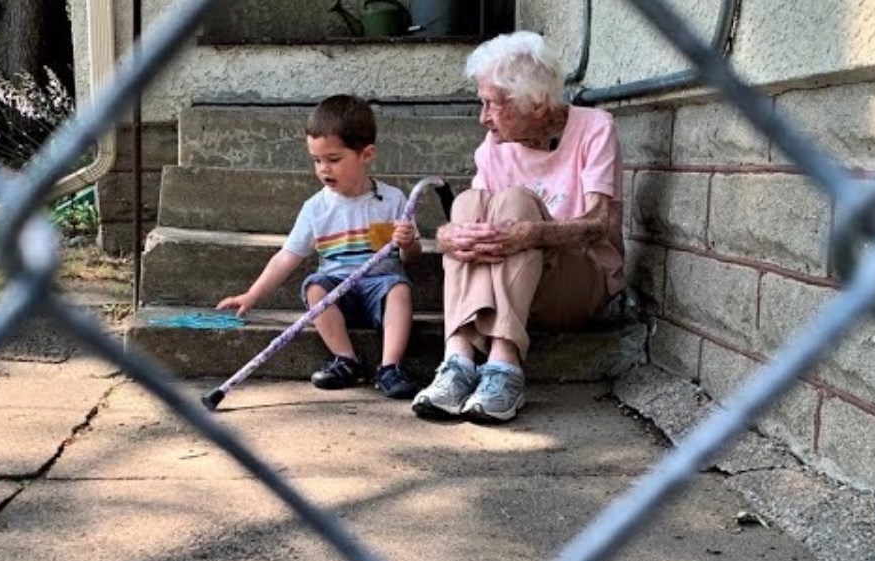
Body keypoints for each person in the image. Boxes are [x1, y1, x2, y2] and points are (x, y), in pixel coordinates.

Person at [412, 31, 625, 423]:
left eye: (493, 105)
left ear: (537, 103)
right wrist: (446, 237)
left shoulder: (594, 128)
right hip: (512, 285)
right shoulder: (491, 149)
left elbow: (599, 224)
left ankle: (504, 367)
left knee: (515, 204)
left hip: (579, 282)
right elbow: (471, 225)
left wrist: (533, 232)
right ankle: (458, 361)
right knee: (468, 204)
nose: (483, 118)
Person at [216, 94, 424, 399]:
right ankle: (346, 360)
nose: (324, 169)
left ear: (366, 155)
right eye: (316, 160)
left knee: (400, 289)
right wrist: (252, 294)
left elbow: (411, 258)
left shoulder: (393, 200)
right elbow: (287, 256)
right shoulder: (316, 208)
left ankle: (389, 368)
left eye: (334, 159)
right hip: (338, 290)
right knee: (315, 287)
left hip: (381, 286)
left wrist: (407, 244)